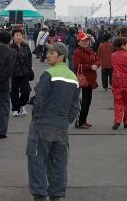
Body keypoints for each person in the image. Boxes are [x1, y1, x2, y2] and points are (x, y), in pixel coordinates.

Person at [27, 42, 80, 201]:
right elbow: (75, 106)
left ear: (61, 56)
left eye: (51, 53)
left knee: (37, 159)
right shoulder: (73, 77)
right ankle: (56, 194)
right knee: (59, 161)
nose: (48, 55)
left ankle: (40, 194)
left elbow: (40, 100)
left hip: (43, 124)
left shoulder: (48, 74)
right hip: (61, 125)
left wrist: (37, 118)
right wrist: (66, 120)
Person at [73, 31, 100, 129]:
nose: (86, 42)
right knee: (83, 101)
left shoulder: (90, 50)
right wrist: (90, 67)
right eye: (83, 40)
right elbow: (76, 66)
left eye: (87, 40)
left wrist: (96, 65)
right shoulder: (77, 52)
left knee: (88, 101)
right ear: (79, 42)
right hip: (83, 79)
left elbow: (97, 59)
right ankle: (80, 121)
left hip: (91, 78)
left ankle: (83, 120)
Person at [10, 29, 33, 117]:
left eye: (20, 35)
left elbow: (30, 58)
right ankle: (15, 109)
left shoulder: (25, 46)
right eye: (17, 35)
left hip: (25, 73)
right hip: (14, 74)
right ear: (13, 37)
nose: (19, 37)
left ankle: (20, 105)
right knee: (14, 92)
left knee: (26, 91)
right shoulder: (10, 47)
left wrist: (29, 68)